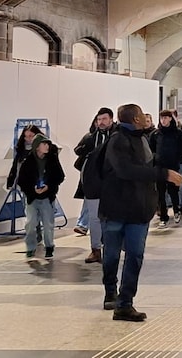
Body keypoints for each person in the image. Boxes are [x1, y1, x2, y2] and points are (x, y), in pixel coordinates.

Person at [100, 103, 181, 321]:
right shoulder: (118, 140)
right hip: (116, 209)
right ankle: (110, 292)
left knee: (135, 256)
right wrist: (163, 174)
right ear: (135, 119)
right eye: (142, 115)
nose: (147, 117)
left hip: (138, 209)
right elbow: (125, 171)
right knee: (111, 256)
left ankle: (125, 303)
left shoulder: (143, 139)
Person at [16, 134, 65, 259]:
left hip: (47, 197)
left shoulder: (52, 160)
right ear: (37, 146)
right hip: (32, 198)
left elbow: (59, 176)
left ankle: (49, 247)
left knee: (48, 224)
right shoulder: (28, 161)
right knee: (30, 224)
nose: (47, 146)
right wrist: (32, 189)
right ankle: (30, 247)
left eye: (47, 144)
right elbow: (22, 180)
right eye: (44, 144)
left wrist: (48, 187)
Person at [74, 108, 113, 263]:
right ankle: (95, 250)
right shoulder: (91, 137)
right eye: (99, 119)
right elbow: (78, 150)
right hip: (93, 183)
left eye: (104, 119)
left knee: (111, 218)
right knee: (94, 218)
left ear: (111, 119)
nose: (101, 122)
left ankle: (110, 249)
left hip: (112, 184)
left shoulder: (117, 137)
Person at [151, 109, 182, 228]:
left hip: (173, 165)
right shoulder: (156, 134)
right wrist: (155, 158)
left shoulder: (178, 133)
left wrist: (177, 157)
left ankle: (176, 210)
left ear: (170, 119)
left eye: (165, 118)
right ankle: (163, 216)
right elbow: (151, 148)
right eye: (161, 118)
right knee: (161, 192)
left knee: (173, 190)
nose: (163, 120)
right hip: (159, 167)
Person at [6, 124, 43, 190]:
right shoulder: (21, 149)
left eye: (31, 136)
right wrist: (10, 183)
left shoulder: (45, 149)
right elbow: (14, 167)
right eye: (26, 136)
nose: (28, 139)